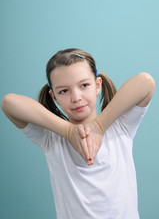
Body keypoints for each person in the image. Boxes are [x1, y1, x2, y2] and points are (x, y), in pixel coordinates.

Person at [1, 48, 155, 219]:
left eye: (84, 85)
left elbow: (145, 82)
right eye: (64, 91)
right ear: (54, 97)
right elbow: (9, 103)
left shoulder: (120, 128)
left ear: (97, 85)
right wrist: (68, 131)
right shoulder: (53, 139)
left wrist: (99, 126)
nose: (76, 97)